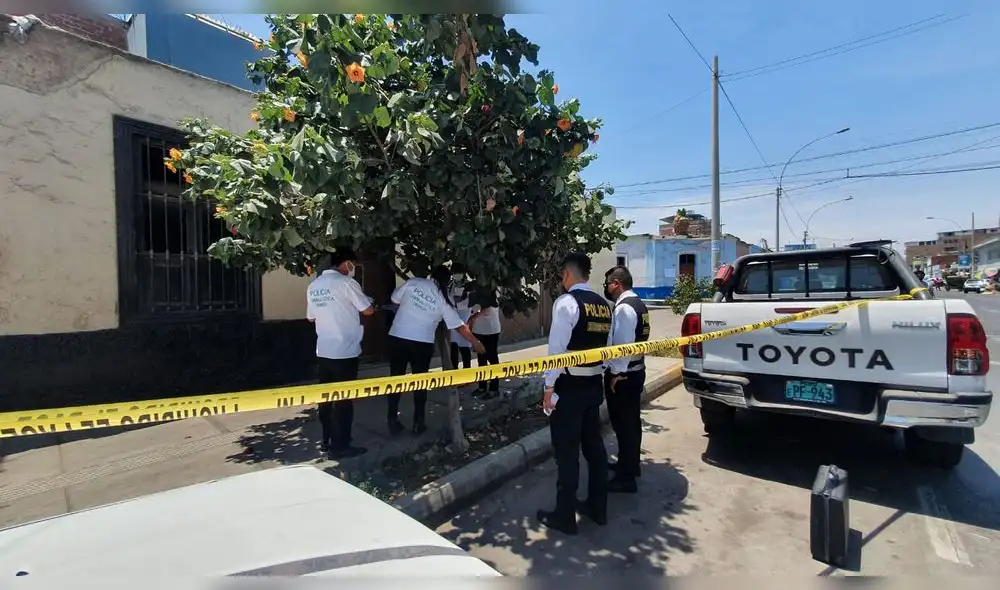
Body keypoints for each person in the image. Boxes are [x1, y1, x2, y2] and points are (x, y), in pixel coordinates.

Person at [537, 252, 612, 536]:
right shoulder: (604, 305)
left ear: (567, 275)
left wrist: (548, 387)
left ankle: (564, 516)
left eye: (561, 276)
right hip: (594, 387)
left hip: (569, 389)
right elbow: (608, 347)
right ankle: (598, 507)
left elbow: (557, 351)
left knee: (567, 454)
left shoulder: (567, 303)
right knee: (594, 448)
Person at [387, 265, 486, 435]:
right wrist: (476, 343)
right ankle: (419, 423)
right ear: (447, 281)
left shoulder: (414, 283)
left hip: (398, 338)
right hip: (421, 344)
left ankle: (392, 419)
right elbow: (459, 326)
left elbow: (394, 299)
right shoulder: (443, 300)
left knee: (395, 381)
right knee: (420, 384)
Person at [306, 249, 374, 459]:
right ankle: (341, 445)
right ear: (346, 263)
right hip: (345, 352)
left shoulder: (314, 285)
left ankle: (327, 440)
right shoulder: (346, 283)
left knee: (326, 400)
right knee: (344, 402)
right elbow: (368, 310)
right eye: (352, 265)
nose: (353, 269)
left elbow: (310, 318)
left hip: (324, 350)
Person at [603, 265, 651, 494]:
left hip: (625, 375)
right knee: (631, 423)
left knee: (624, 425)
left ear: (616, 284)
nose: (606, 288)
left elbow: (622, 346)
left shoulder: (623, 309)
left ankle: (626, 477)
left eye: (608, 283)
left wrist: (615, 373)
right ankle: (629, 465)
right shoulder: (639, 304)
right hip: (636, 369)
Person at [469, 288, 502, 398]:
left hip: (492, 331)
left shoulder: (494, 293)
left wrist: (476, 310)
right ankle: (482, 387)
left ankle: (494, 388)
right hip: (479, 331)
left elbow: (488, 309)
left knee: (492, 359)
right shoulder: (476, 293)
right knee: (481, 360)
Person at [449, 269, 476, 370]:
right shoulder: (451, 284)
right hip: (452, 318)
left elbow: (471, 301)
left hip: (464, 317)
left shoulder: (468, 285)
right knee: (453, 346)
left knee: (464, 346)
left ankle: (467, 372)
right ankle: (454, 371)